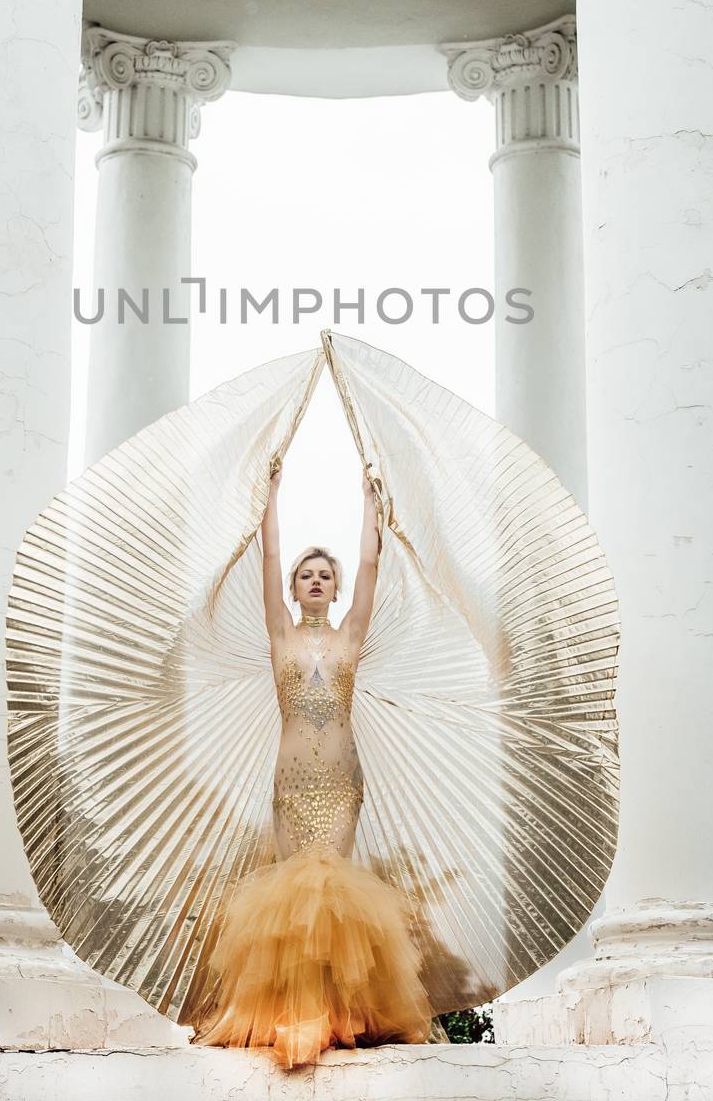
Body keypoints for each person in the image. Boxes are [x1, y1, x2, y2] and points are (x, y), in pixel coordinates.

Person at [192, 456, 433, 1068]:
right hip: (292, 781)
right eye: (308, 575)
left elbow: (373, 566)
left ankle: (340, 1013)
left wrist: (371, 506)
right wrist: (270, 497)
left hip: (343, 779)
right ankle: (288, 1016)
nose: (316, 581)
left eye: (326, 574)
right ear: (295, 589)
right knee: (292, 899)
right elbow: (267, 565)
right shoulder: (280, 637)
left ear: (336, 585)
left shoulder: (351, 635)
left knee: (333, 892)